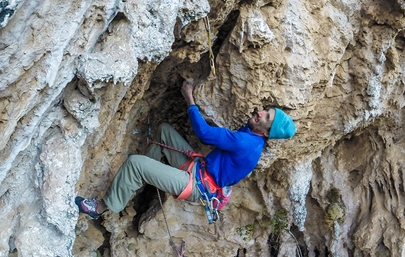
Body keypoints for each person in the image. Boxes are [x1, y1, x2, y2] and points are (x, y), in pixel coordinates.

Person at [75, 80, 296, 220]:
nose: (259, 112)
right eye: (265, 110)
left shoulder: (247, 143)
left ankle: (102, 207)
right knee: (164, 131)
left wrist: (189, 97)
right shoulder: (252, 135)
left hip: (198, 187)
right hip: (199, 170)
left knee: (134, 164)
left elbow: (205, 134)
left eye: (265, 117)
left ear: (267, 133)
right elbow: (241, 130)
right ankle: (138, 179)